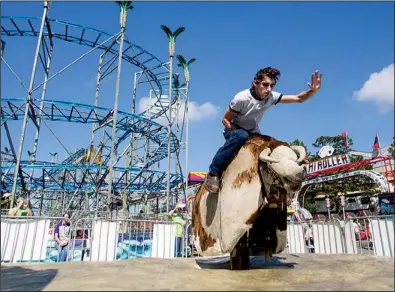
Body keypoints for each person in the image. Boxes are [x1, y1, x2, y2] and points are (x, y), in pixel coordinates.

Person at [205, 67, 322, 193]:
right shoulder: (242, 98)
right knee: (241, 135)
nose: (269, 89)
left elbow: (299, 98)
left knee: (271, 143)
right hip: (234, 131)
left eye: (272, 85)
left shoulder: (271, 97)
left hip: (253, 132)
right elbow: (225, 120)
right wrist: (238, 132)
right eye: (265, 85)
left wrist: (313, 91)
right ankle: (213, 173)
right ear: (255, 83)